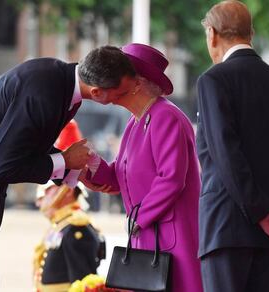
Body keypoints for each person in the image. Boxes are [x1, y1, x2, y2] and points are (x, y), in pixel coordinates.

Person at [0, 46, 136, 292]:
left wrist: (74, 171)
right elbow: (6, 165)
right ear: (97, 92)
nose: (122, 100)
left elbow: (26, 145)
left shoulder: (59, 80)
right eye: (121, 93)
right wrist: (65, 161)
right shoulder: (46, 92)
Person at [196, 1, 269, 292]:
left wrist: (261, 212)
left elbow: (226, 153)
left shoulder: (213, 81)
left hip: (227, 231)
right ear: (250, 33)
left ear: (212, 34)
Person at [80, 43, 203, 292]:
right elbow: (119, 177)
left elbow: (171, 179)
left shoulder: (166, 116)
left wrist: (140, 218)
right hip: (146, 233)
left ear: (136, 82)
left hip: (171, 235)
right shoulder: (135, 122)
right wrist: (89, 162)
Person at [33, 181, 105, 292]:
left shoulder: (76, 227)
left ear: (68, 191)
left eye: (47, 190)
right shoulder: (62, 224)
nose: (39, 202)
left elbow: (81, 283)